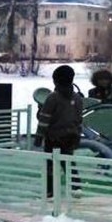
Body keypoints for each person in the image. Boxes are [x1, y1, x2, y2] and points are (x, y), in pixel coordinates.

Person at [34, 65, 84, 197]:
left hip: (53, 138)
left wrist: (38, 138)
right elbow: (79, 119)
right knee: (68, 161)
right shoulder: (77, 98)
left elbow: (44, 120)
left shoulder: (52, 98)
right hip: (70, 137)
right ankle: (76, 187)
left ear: (55, 80)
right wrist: (77, 135)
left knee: (50, 165)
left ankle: (50, 191)